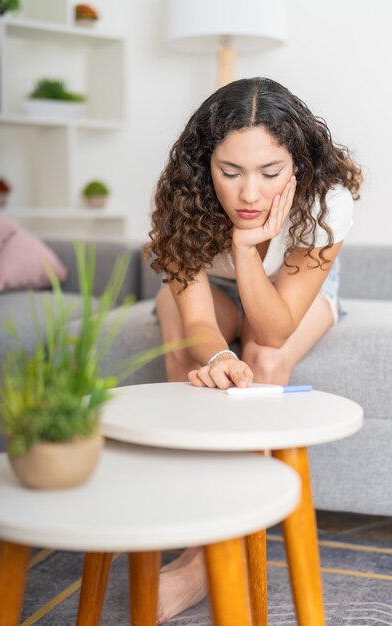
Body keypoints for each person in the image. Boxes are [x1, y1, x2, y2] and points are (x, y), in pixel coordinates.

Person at [146, 76, 362, 624]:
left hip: (288, 291)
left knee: (265, 361)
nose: (249, 195)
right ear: (204, 165)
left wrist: (246, 250)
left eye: (269, 173)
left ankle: (207, 561)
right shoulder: (180, 193)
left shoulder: (327, 199)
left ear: (298, 165)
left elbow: (271, 331)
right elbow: (196, 317)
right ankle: (194, 536)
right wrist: (217, 357)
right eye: (230, 172)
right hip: (211, 294)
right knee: (187, 357)